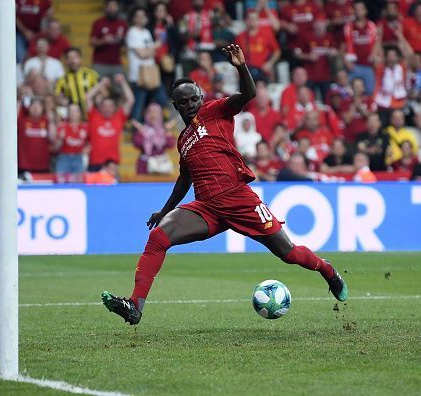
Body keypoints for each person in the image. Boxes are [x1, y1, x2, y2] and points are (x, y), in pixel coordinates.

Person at [101, 44, 348, 326]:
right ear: (176, 105)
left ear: (201, 97)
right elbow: (184, 179)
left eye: (194, 98)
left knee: (288, 253)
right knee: (159, 237)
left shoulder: (216, 111)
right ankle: (135, 305)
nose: (191, 104)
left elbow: (248, 94)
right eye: (184, 101)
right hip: (207, 206)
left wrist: (241, 66)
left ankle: (327, 270)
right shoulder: (183, 140)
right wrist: (164, 211)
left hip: (238, 198)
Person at [126, 7, 169, 122]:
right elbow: (143, 54)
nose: (142, 18)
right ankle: (135, 132)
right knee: (138, 105)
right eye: (138, 16)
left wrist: (151, 49)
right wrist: (155, 45)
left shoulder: (146, 32)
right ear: (133, 18)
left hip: (151, 73)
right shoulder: (132, 32)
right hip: (138, 76)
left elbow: (150, 52)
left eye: (143, 15)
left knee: (162, 100)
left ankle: (156, 126)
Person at [86, 74, 134, 171]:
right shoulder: (94, 116)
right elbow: (87, 98)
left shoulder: (119, 116)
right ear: (100, 107)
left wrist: (123, 82)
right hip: (95, 162)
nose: (107, 109)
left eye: (110, 106)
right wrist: (101, 84)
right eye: (105, 106)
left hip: (113, 164)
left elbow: (130, 100)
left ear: (114, 107)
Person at [235, 9, 281, 83]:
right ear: (246, 20)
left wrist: (270, 63)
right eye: (250, 19)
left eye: (255, 19)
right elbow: (236, 55)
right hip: (246, 71)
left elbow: (277, 51)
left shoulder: (267, 34)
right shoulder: (240, 37)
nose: (252, 21)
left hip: (263, 71)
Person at [131, 103, 176, 175]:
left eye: (155, 113)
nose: (153, 115)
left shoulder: (163, 130)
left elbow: (171, 145)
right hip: (144, 166)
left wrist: (167, 131)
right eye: (150, 112)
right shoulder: (143, 129)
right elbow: (137, 144)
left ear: (160, 115)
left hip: (161, 166)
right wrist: (141, 131)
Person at [54, 47, 99, 118]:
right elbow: (57, 96)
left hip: (91, 115)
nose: (72, 60)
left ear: (80, 59)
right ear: (66, 61)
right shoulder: (62, 79)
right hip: (72, 117)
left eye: (75, 57)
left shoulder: (91, 74)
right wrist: (62, 101)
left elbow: (102, 92)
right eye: (69, 58)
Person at [90, 0, 127, 78]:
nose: (112, 9)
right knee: (99, 87)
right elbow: (92, 42)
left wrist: (121, 40)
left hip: (116, 63)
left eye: (114, 7)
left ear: (117, 8)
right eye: (110, 7)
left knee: (119, 88)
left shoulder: (122, 23)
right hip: (100, 63)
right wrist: (103, 41)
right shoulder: (98, 23)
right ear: (106, 8)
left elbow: (126, 45)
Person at [54, 103, 89, 177]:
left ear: (80, 113)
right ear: (68, 113)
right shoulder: (62, 126)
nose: (73, 113)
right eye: (71, 111)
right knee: (60, 182)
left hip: (78, 158)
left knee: (79, 183)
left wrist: (87, 149)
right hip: (64, 158)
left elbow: (90, 143)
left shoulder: (85, 127)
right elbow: (56, 147)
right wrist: (60, 138)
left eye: (76, 111)